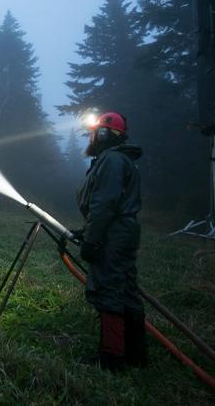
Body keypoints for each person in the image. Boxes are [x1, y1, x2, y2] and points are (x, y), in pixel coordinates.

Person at [73, 112, 147, 370]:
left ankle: (111, 359)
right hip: (120, 233)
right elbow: (110, 205)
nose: (92, 137)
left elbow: (104, 204)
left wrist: (92, 241)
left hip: (113, 236)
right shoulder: (118, 159)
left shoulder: (112, 160)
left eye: (95, 132)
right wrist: (87, 232)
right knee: (126, 290)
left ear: (103, 134)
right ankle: (135, 355)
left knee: (110, 291)